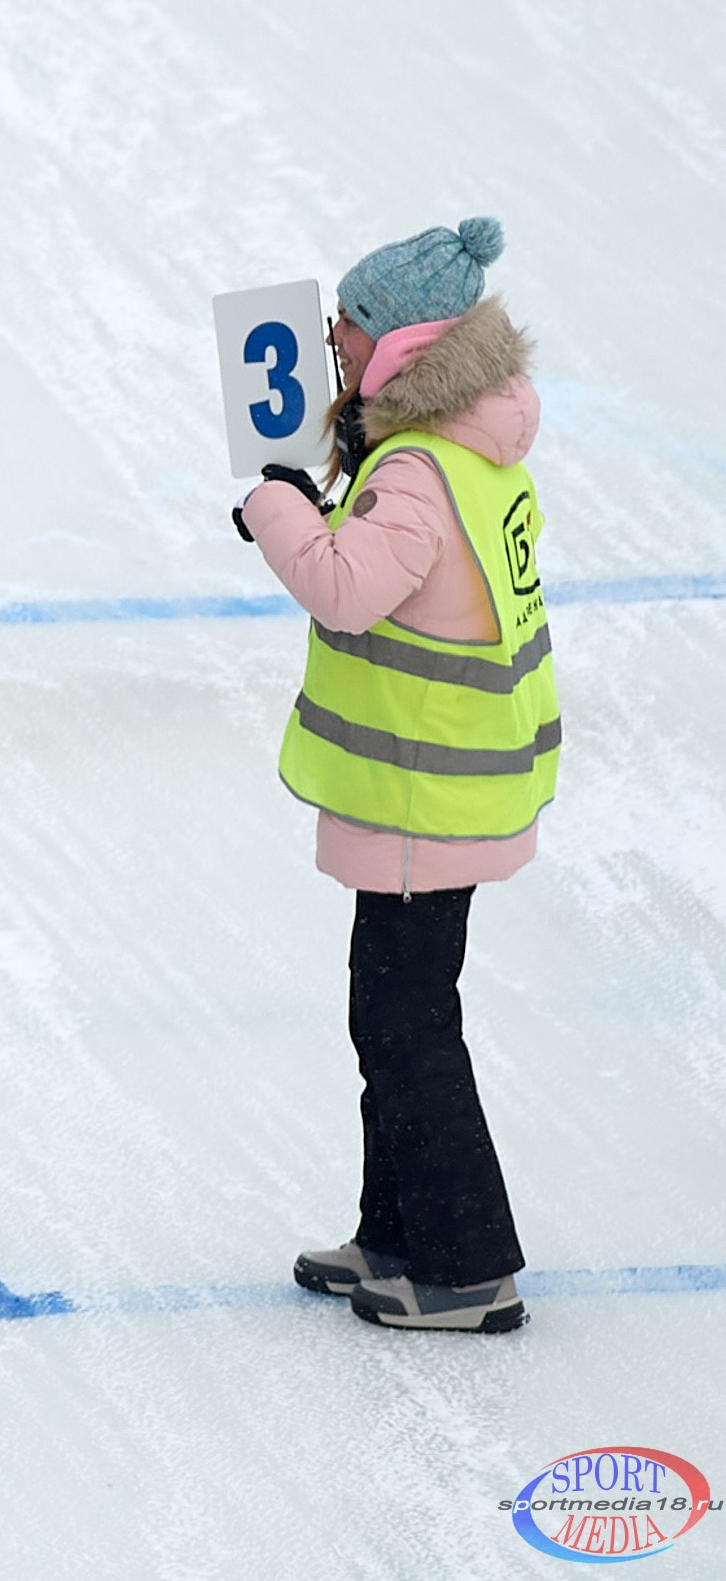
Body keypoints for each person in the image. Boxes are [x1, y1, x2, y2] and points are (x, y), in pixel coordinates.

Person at [233, 218, 554, 1333]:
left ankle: (468, 1266)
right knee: (392, 1015)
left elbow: (346, 588)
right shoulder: (455, 451)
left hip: (430, 790)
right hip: (439, 788)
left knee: (408, 1022)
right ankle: (396, 1233)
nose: (331, 339)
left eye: (350, 328)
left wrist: (275, 504)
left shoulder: (418, 467)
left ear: (404, 342)